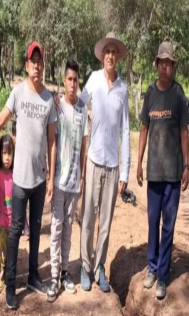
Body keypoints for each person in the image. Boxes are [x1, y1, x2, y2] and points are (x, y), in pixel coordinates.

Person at [0, 41, 57, 310]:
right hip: (19, 181)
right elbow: (0, 121)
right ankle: (11, 286)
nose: (37, 65)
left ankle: (33, 276)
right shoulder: (18, 93)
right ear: (26, 65)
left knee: (34, 233)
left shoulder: (49, 100)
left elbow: (52, 142)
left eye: (40, 61)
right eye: (33, 61)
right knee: (15, 231)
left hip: (40, 180)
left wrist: (52, 177)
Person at [137, 42, 189, 299]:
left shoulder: (178, 95)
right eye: (161, 63)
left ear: (172, 66)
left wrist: (187, 165)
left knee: (168, 225)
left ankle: (163, 276)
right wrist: (138, 162)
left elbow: (183, 131)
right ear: (156, 65)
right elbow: (144, 129)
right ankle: (153, 266)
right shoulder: (150, 93)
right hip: (154, 172)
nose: (164, 67)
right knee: (151, 222)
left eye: (168, 63)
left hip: (172, 173)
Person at [79, 32, 130, 292]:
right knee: (89, 217)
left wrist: (125, 172)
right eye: (106, 51)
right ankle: (85, 266)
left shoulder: (122, 89)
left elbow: (125, 130)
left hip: (112, 166)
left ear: (118, 57)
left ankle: (100, 267)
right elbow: (79, 104)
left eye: (114, 52)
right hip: (94, 160)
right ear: (102, 56)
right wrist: (64, 99)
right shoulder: (93, 80)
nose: (110, 55)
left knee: (106, 222)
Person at [47, 60, 88, 303]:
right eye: (69, 79)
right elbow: (51, 142)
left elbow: (84, 145)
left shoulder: (83, 109)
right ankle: (53, 277)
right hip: (59, 181)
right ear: (64, 81)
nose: (73, 84)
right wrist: (50, 179)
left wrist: (82, 176)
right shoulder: (58, 105)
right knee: (56, 227)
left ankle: (64, 272)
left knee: (68, 229)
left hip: (74, 181)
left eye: (76, 80)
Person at [0, 135, 14, 293]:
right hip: (2, 222)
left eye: (10, 154)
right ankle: (1, 278)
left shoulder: (16, 176)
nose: (7, 158)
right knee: (2, 252)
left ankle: (11, 276)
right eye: (4, 153)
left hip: (13, 223)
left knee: (11, 252)